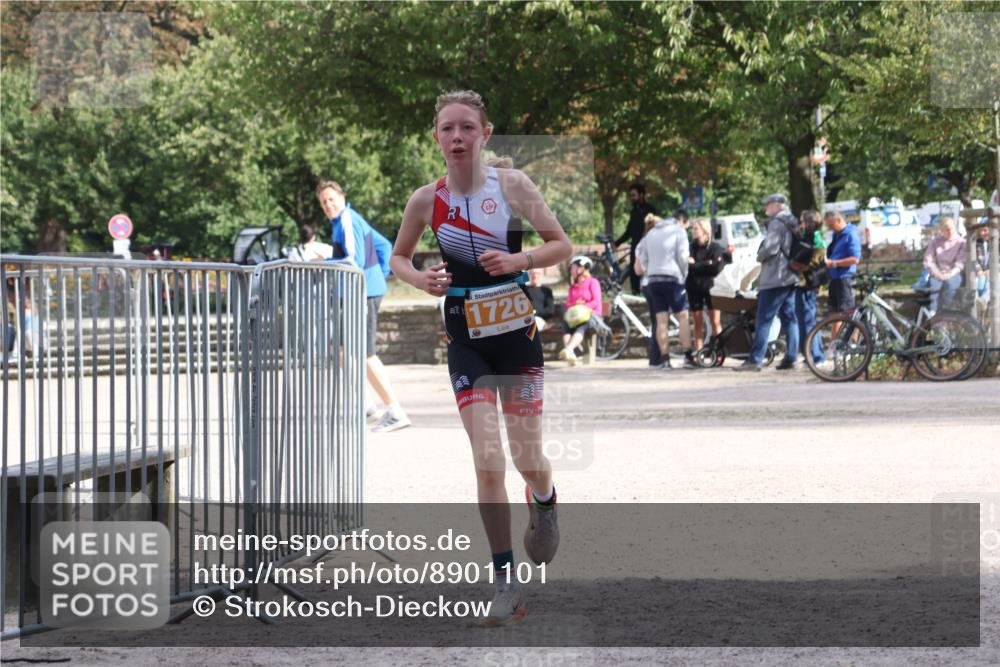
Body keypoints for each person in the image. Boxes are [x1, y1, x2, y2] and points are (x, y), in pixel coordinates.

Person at [389, 90, 572, 626]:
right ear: (436, 137)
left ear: (485, 134)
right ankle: (505, 582)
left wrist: (520, 258)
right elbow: (399, 256)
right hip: (465, 333)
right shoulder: (426, 200)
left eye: (467, 127)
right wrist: (420, 278)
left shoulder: (512, 185)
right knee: (486, 457)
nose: (457, 137)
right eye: (447, 128)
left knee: (525, 456)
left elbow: (560, 244)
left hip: (515, 332)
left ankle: (544, 496)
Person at [317, 180, 412, 433]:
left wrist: (324, 260)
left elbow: (352, 260)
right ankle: (367, 405)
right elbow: (383, 246)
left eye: (331, 199)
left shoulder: (348, 219)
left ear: (342, 196)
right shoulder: (343, 222)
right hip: (357, 292)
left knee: (365, 354)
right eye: (323, 202)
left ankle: (395, 410)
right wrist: (378, 274)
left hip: (363, 293)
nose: (328, 205)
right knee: (338, 349)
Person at [735, 194, 801, 372]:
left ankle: (755, 359)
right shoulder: (793, 221)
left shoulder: (777, 222)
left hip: (775, 276)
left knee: (763, 319)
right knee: (790, 318)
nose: (766, 208)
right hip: (790, 275)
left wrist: (759, 255)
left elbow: (771, 248)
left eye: (768, 205)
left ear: (778, 205)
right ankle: (792, 357)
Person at [635, 212, 694, 368]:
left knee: (661, 321)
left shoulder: (650, 234)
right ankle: (688, 356)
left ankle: (665, 359)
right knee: (683, 317)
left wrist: (651, 270)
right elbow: (683, 256)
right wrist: (683, 275)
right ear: (680, 221)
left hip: (654, 280)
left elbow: (643, 260)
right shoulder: (678, 231)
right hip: (673, 278)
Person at [686, 218, 725, 353]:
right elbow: (688, 267)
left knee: (715, 322)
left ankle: (719, 351)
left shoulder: (715, 247)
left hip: (711, 288)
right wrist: (706, 264)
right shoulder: (690, 247)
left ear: (704, 230)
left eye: (696, 228)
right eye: (693, 228)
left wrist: (696, 265)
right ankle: (699, 353)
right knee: (697, 322)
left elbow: (716, 268)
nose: (693, 231)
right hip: (694, 287)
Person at [793, 210, 828, 363]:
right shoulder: (809, 237)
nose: (800, 224)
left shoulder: (815, 238)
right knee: (806, 321)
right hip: (803, 284)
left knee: (808, 321)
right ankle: (812, 354)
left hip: (807, 284)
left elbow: (815, 261)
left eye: (802, 221)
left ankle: (817, 356)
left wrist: (797, 265)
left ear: (809, 222)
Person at [823, 210, 862, 335]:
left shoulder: (850, 234)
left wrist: (834, 263)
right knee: (835, 314)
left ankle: (852, 346)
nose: (830, 228)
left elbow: (855, 259)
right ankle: (834, 346)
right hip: (835, 277)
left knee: (848, 314)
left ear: (839, 221)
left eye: (831, 225)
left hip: (845, 278)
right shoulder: (837, 234)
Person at [614, 183, 658, 294]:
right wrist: (618, 242)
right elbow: (630, 230)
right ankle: (635, 292)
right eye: (631, 195)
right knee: (634, 270)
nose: (632, 198)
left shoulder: (651, 209)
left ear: (641, 195)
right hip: (636, 245)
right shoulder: (633, 211)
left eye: (634, 195)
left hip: (649, 246)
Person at [559, 256, 603, 365]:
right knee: (565, 324)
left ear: (581, 268)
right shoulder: (573, 287)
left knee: (583, 325)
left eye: (573, 268)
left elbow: (596, 301)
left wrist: (584, 306)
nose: (571, 271)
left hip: (592, 317)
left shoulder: (593, 282)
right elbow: (568, 304)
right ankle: (571, 353)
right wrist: (575, 305)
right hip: (576, 317)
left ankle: (568, 349)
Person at [923, 216, 965, 313]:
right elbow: (928, 260)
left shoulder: (961, 242)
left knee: (950, 285)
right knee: (934, 286)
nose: (949, 231)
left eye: (951, 228)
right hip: (938, 272)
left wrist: (949, 274)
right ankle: (933, 316)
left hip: (954, 273)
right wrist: (938, 274)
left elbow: (960, 263)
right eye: (946, 229)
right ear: (941, 230)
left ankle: (947, 313)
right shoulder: (935, 242)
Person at [974, 224, 990, 301]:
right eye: (981, 231)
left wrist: (991, 270)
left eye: (985, 230)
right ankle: (977, 301)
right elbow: (974, 259)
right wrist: (979, 270)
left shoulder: (997, 242)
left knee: (990, 283)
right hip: (980, 271)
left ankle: (984, 301)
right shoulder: (977, 243)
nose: (983, 233)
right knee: (978, 283)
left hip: (992, 271)